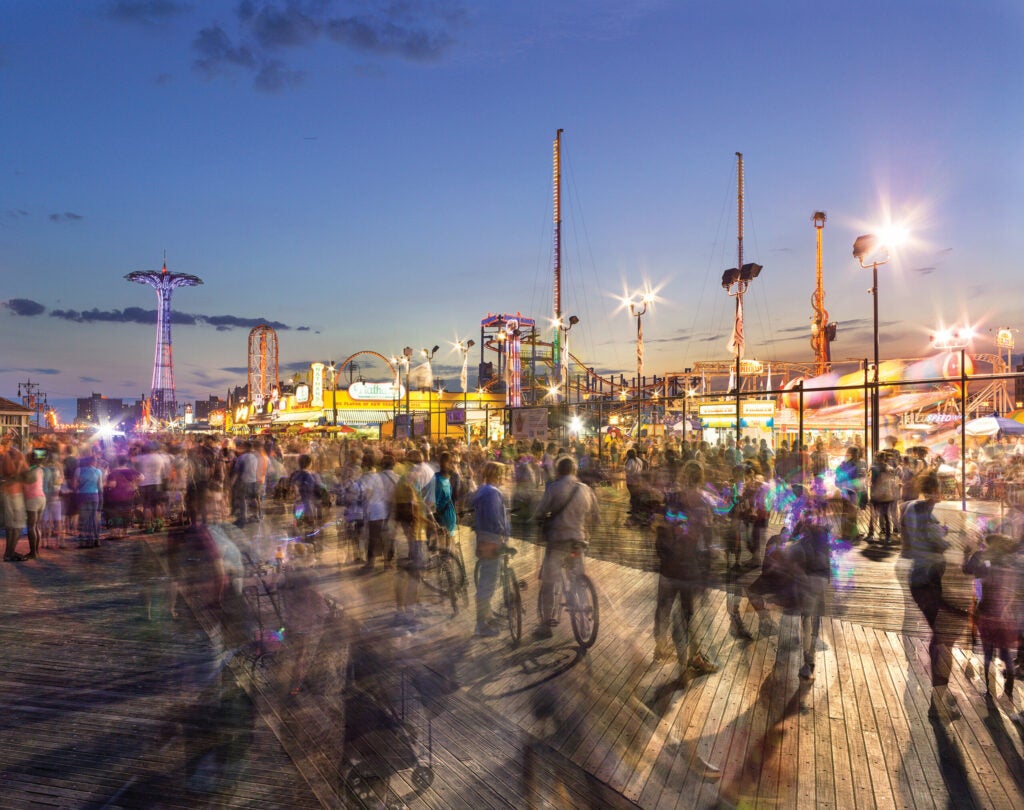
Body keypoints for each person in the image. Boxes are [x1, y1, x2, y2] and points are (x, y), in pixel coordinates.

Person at [902, 472, 961, 720]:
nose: (943, 496)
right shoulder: (923, 512)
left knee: (940, 637)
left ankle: (939, 698)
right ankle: (937, 704)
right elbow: (935, 542)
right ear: (935, 491)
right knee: (942, 639)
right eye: (941, 491)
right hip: (927, 578)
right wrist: (946, 538)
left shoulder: (912, 508)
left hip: (921, 577)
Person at [653, 460, 718, 676]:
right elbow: (706, 536)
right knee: (688, 611)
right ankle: (694, 656)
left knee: (663, 606)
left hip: (668, 563)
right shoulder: (702, 501)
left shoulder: (672, 497)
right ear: (700, 478)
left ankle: (660, 646)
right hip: (689, 564)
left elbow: (658, 524)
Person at [532, 456, 600, 640]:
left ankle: (546, 624)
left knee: (549, 581)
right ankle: (585, 622)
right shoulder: (585, 489)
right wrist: (589, 533)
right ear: (574, 470)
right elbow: (596, 515)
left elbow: (540, 512)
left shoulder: (554, 488)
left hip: (557, 541)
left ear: (559, 470)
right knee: (578, 578)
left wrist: (538, 520)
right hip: (578, 540)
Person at [962, 533, 1023, 721]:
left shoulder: (986, 565)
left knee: (989, 654)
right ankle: (1009, 691)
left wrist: (968, 554)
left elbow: (968, 570)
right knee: (1006, 654)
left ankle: (989, 692)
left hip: (986, 613)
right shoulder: (1014, 566)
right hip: (1005, 616)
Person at [471, 461, 510, 637]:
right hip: (492, 539)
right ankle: (481, 624)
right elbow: (496, 519)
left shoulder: (483, 490)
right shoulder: (493, 493)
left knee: (487, 578)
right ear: (497, 475)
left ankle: (484, 617)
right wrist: (502, 534)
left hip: (483, 537)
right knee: (488, 582)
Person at [74, 453, 105, 547]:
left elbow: (75, 486)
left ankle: (84, 541)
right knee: (93, 518)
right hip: (94, 496)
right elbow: (100, 487)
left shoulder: (78, 470)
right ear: (94, 462)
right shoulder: (98, 471)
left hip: (82, 496)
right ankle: (96, 539)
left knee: (84, 519)